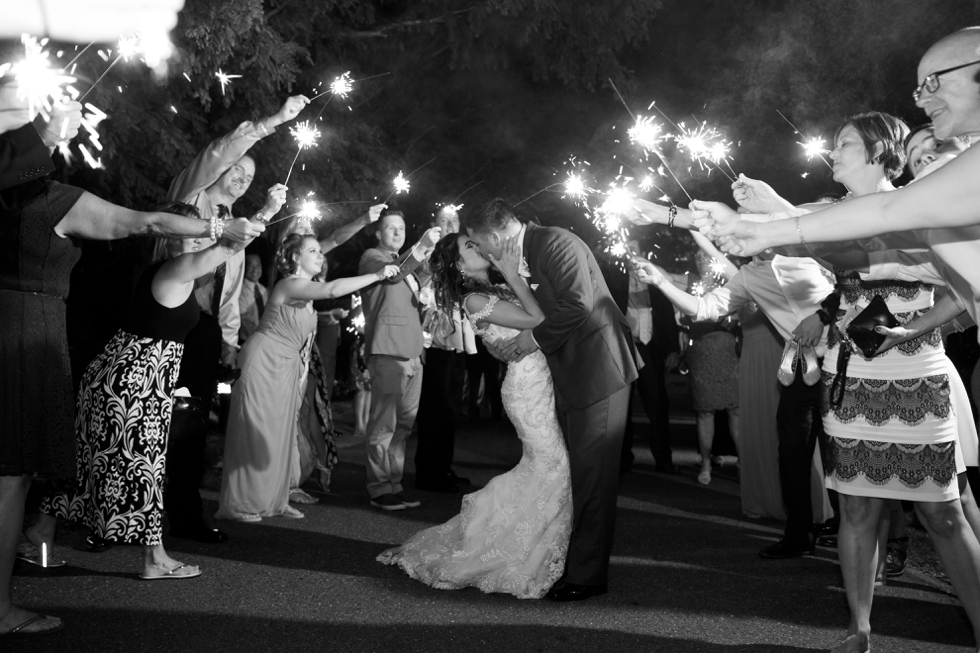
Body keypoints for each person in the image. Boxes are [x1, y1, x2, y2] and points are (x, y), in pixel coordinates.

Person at [693, 110, 980, 653]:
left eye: (845, 142)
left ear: (877, 152)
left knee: (943, 512)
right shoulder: (832, 212)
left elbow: (950, 286)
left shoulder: (923, 201)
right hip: (850, 375)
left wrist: (910, 329)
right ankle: (859, 628)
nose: (833, 150)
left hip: (917, 372)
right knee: (856, 506)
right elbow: (813, 237)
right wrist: (734, 215)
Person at [0, 113, 263, 634]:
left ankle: (44, 536)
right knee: (30, 473)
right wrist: (221, 227)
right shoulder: (52, 203)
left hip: (93, 358)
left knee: (64, 465)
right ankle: (139, 560)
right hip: (63, 348)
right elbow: (149, 221)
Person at [29, 201, 260, 584]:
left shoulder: (181, 274)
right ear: (172, 237)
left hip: (129, 378)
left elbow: (229, 248)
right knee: (145, 466)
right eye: (191, 227)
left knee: (89, 459)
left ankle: (41, 532)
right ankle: (153, 559)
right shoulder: (174, 268)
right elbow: (228, 246)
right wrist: (260, 213)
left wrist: (264, 214)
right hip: (130, 382)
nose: (198, 233)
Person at [377, 231, 571, 599]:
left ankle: (536, 544)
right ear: (457, 264)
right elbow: (541, 319)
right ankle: (522, 551)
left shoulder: (493, 288)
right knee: (554, 465)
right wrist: (513, 274)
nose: (479, 247)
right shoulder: (475, 298)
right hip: (527, 389)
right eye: (470, 246)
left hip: (541, 382)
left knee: (550, 466)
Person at [463, 198, 639, 602]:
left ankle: (587, 576)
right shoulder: (522, 254)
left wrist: (531, 338)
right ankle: (578, 563)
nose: (483, 251)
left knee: (593, 474)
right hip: (572, 372)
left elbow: (578, 303)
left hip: (600, 368)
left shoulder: (556, 242)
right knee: (583, 471)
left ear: (493, 235)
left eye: (479, 242)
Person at [160, 94, 306, 544]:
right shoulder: (188, 196)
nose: (241, 179)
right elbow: (215, 153)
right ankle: (139, 515)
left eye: (248, 177)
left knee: (194, 423)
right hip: (166, 320)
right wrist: (273, 122)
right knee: (160, 421)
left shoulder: (232, 219)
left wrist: (226, 340)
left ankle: (185, 515)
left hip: (202, 331)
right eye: (236, 171)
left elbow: (229, 290)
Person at [216, 234, 397, 521]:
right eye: (312, 251)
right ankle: (242, 503)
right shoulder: (290, 284)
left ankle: (274, 499)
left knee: (282, 434)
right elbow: (333, 289)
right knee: (256, 432)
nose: (320, 255)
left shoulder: (307, 289)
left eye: (319, 251)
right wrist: (376, 274)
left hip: (287, 366)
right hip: (264, 362)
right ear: (296, 258)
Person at [358, 211, 441, 511]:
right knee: (384, 424)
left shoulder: (407, 264)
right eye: (390, 228)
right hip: (388, 350)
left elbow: (417, 274)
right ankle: (379, 487)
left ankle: (394, 483)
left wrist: (430, 253)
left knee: (403, 426)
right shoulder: (372, 258)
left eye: (402, 228)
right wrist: (420, 248)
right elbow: (394, 273)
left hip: (413, 351)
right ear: (378, 234)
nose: (396, 232)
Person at [594, 237, 681, 475]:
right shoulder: (614, 276)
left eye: (637, 249)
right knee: (621, 407)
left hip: (649, 348)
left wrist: (673, 348)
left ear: (644, 252)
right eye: (629, 249)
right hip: (622, 348)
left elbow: (666, 315)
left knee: (657, 404)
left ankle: (664, 459)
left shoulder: (655, 277)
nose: (633, 254)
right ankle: (622, 459)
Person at [414, 205, 476, 493]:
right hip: (436, 341)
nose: (450, 224)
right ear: (434, 224)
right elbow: (424, 276)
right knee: (434, 407)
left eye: (455, 220)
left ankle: (443, 466)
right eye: (444, 220)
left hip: (458, 342)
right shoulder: (429, 255)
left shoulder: (463, 257)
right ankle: (428, 470)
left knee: (451, 407)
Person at [680, 242, 741, 485]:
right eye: (697, 255)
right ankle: (706, 463)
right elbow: (663, 277)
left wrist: (734, 317)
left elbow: (750, 305)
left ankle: (744, 463)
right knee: (704, 410)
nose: (701, 258)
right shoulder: (688, 280)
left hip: (727, 350)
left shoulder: (730, 280)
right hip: (702, 351)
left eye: (705, 254)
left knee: (735, 410)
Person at [238, 253, 268, 342]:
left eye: (258, 265)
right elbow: (245, 321)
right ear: (244, 267)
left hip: (263, 339)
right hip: (246, 341)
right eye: (250, 265)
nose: (255, 270)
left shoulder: (263, 290)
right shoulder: (240, 291)